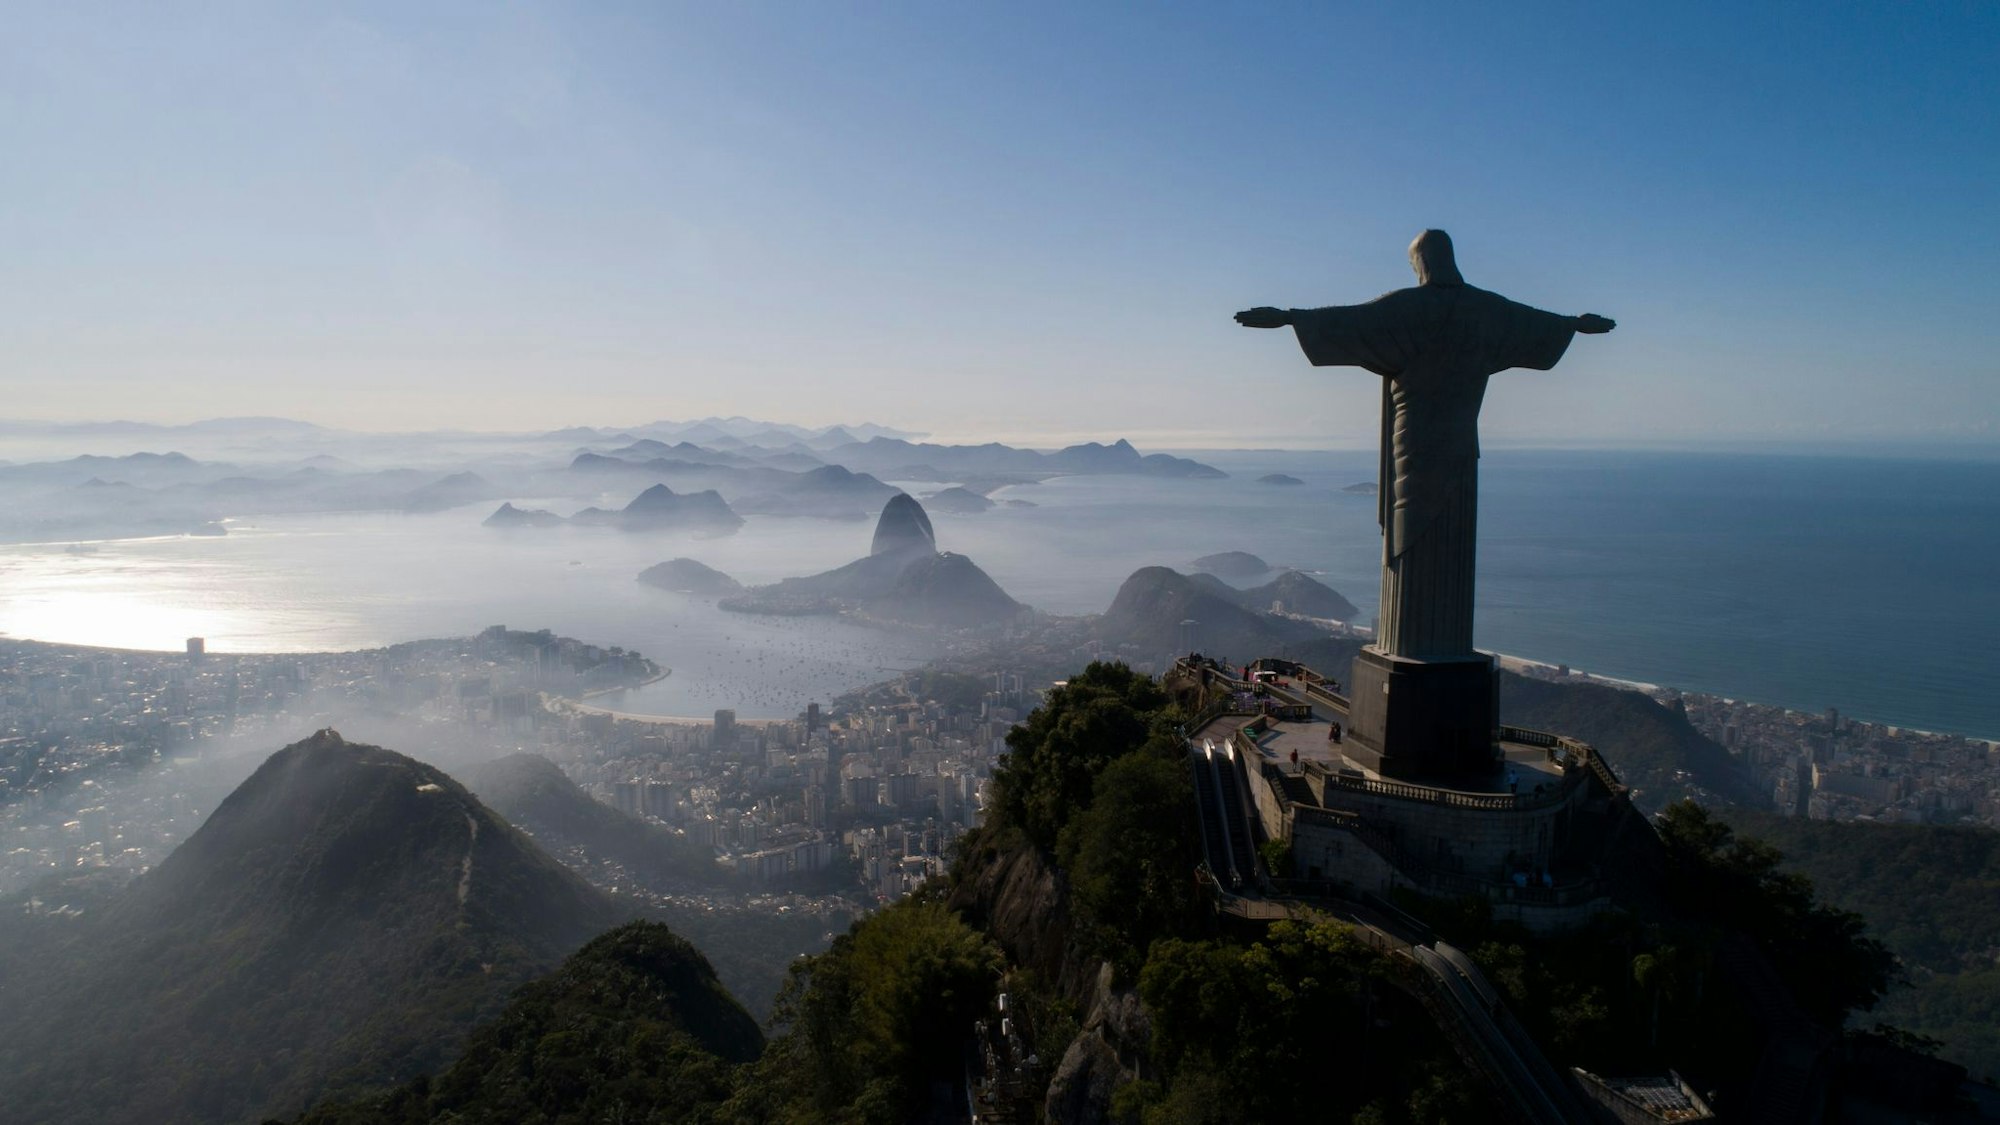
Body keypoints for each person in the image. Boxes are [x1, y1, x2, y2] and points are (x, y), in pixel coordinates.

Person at [1237, 231, 1613, 660]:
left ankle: (1414, 643)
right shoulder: (1488, 309)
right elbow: (1535, 323)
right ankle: (1438, 642)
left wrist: (1289, 318)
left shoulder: (1406, 307)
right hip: (1460, 443)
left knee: (1409, 515)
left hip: (1413, 436)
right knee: (1446, 521)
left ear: (1422, 262)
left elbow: (1352, 321)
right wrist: (1574, 325)